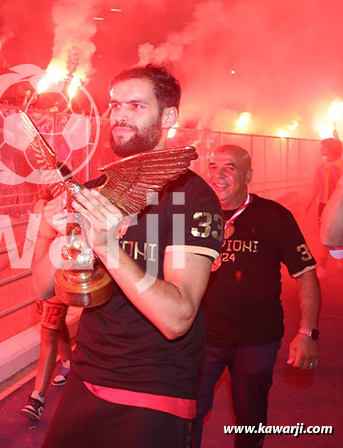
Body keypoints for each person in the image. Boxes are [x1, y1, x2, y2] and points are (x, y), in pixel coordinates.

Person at [32, 65, 223, 447]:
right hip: (87, 378)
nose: (119, 115)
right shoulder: (94, 189)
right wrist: (49, 229)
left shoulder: (192, 197)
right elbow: (42, 287)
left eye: (136, 105)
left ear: (168, 117)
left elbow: (177, 317)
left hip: (155, 389)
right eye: (115, 105)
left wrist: (106, 245)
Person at [193, 144, 320, 448]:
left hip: (256, 339)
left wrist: (308, 333)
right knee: (187, 414)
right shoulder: (192, 214)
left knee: (250, 420)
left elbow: (305, 273)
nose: (218, 174)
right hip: (200, 338)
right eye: (213, 166)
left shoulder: (274, 216)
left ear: (249, 175)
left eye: (230, 167)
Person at [21, 186, 72, 422]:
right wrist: (39, 289)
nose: (40, 185)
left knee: (50, 331)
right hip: (55, 276)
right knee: (51, 326)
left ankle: (38, 396)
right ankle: (67, 364)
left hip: (82, 273)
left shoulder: (78, 203)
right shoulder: (43, 208)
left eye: (47, 180)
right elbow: (38, 249)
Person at [306, 138, 342, 223]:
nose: (321, 148)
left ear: (331, 148)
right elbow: (317, 187)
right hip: (322, 204)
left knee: (333, 231)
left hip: (336, 206)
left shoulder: (340, 166)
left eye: (324, 146)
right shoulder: (320, 164)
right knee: (321, 228)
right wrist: (309, 204)